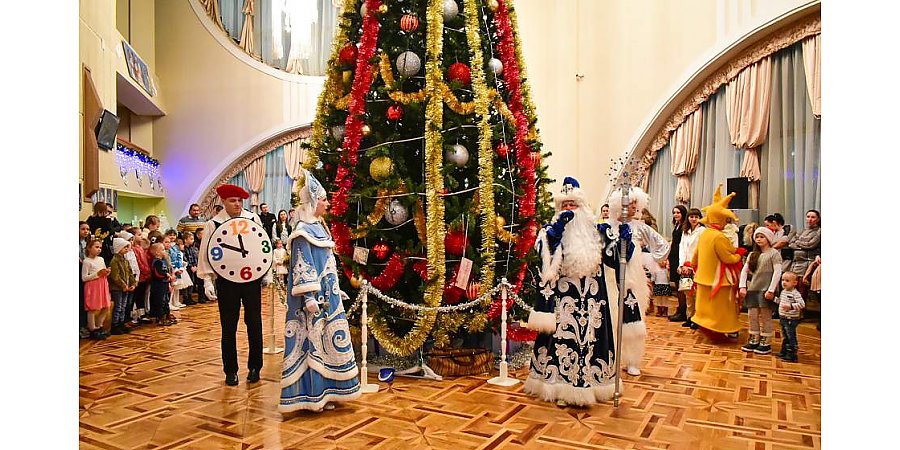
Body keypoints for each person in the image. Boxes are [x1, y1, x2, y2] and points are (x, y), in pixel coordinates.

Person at [524, 177, 622, 407]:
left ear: (583, 207)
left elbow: (614, 258)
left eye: (573, 205)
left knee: (591, 343)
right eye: (564, 205)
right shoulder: (549, 232)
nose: (569, 210)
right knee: (560, 343)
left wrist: (624, 242)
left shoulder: (597, 232)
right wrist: (556, 234)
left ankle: (593, 386)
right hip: (563, 301)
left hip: (593, 302)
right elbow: (542, 256)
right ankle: (559, 387)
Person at [279, 170, 360, 413]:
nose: (327, 203)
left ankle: (330, 391)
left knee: (328, 344)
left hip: (329, 298)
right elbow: (303, 267)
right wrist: (309, 297)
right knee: (312, 344)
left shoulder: (319, 228)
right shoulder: (303, 231)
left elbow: (326, 265)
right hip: (313, 303)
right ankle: (313, 396)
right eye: (324, 199)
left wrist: (335, 291)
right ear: (313, 201)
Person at [198, 184, 272, 387]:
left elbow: (262, 247)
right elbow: (206, 253)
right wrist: (207, 280)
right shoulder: (213, 224)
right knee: (228, 327)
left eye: (240, 201)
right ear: (223, 202)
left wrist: (266, 272)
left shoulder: (253, 219)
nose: (237, 204)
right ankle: (230, 370)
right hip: (226, 282)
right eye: (233, 201)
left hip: (251, 280)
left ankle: (255, 367)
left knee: (255, 324)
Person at [606, 186, 670, 376]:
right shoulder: (607, 227)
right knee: (610, 319)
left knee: (633, 320)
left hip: (633, 280)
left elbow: (661, 245)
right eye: (629, 204)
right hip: (610, 277)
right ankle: (611, 358)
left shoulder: (640, 227)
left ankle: (632, 360)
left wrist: (651, 261)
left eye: (635, 204)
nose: (633, 208)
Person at [690, 185, 746, 338]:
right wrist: (739, 255)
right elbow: (727, 257)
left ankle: (708, 327)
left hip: (703, 278)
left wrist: (693, 265)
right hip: (718, 281)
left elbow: (696, 255)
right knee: (721, 308)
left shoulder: (704, 234)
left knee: (705, 307)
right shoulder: (718, 236)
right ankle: (723, 328)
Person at [738, 227, 781, 354]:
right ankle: (754, 338)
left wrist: (771, 289)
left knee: (766, 316)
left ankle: (765, 341)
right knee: (752, 315)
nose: (759, 239)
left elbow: (777, 272)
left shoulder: (774, 254)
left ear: (768, 238)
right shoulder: (753, 255)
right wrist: (742, 286)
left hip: (766, 290)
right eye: (757, 237)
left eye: (762, 237)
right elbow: (745, 271)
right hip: (753, 289)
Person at [677, 208, 705, 328]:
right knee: (687, 292)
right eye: (691, 217)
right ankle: (690, 316)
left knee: (697, 294)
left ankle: (698, 319)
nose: (693, 219)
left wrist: (693, 265)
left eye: (696, 217)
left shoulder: (702, 231)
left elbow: (701, 249)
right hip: (685, 265)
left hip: (697, 266)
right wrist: (682, 264)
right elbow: (682, 248)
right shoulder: (685, 231)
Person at [82, 239, 112, 340]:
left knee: (106, 306)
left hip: (102, 284)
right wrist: (97, 274)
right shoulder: (87, 261)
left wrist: (106, 272)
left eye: (100, 247)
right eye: (96, 247)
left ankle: (99, 326)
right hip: (92, 286)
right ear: (89, 248)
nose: (99, 249)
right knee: (92, 308)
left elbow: (103, 270)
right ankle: (92, 329)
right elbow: (84, 277)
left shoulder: (101, 259)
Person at [787, 209, 821, 296]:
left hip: (807, 263)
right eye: (808, 217)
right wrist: (801, 244)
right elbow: (791, 243)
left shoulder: (819, 231)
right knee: (792, 289)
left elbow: (810, 245)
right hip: (796, 263)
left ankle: (801, 308)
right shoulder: (802, 231)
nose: (810, 219)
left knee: (802, 290)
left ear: (818, 219)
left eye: (813, 217)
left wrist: (798, 242)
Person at [108, 238, 136, 335]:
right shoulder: (114, 261)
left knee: (123, 306)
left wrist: (133, 284)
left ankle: (121, 322)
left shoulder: (125, 260)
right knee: (118, 306)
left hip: (126, 288)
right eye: (124, 247)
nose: (127, 249)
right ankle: (115, 324)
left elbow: (130, 273)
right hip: (117, 288)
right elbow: (115, 276)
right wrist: (123, 285)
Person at [775, 272, 805, 362]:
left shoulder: (795, 293)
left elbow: (802, 304)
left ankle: (792, 354)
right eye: (783, 280)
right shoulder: (783, 292)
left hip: (791, 319)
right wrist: (773, 298)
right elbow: (780, 302)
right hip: (783, 317)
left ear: (794, 283)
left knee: (790, 335)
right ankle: (784, 351)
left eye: (787, 281)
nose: (784, 282)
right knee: (785, 335)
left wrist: (791, 306)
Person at [668, 205, 688, 322]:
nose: (676, 215)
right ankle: (680, 309)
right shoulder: (677, 226)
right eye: (674, 213)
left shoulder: (684, 228)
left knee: (681, 286)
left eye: (678, 213)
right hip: (674, 257)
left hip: (680, 258)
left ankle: (683, 310)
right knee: (676, 284)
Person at [149, 242, 175, 326]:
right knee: (160, 301)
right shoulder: (157, 262)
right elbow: (157, 273)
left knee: (165, 300)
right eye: (163, 249)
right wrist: (166, 275)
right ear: (157, 252)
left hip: (164, 284)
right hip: (158, 285)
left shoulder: (162, 261)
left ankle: (166, 315)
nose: (165, 251)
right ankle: (160, 317)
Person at [79, 221, 91, 339]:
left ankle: (84, 325)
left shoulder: (87, 242)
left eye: (87, 229)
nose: (85, 231)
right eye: (83, 229)